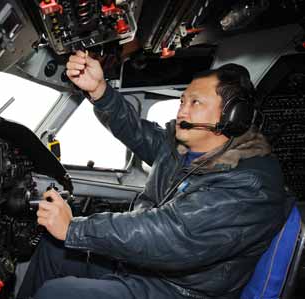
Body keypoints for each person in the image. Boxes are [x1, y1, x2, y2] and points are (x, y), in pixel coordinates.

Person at [17, 51, 293, 299]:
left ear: (233, 116)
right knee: (53, 248)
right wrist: (100, 90)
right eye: (182, 99)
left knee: (59, 293)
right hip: (146, 269)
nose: (182, 109)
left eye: (195, 102)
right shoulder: (183, 149)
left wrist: (75, 228)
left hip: (181, 289)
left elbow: (172, 235)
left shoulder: (250, 185)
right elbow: (136, 131)